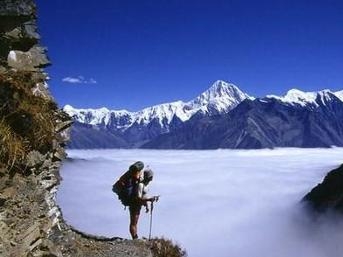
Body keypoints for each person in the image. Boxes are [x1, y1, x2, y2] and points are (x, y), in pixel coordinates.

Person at [129, 168, 159, 240]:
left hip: (138, 205)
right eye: (151, 176)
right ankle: (134, 238)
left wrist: (146, 205)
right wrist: (149, 200)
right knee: (133, 222)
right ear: (149, 177)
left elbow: (143, 196)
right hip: (134, 205)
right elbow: (138, 198)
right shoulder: (141, 185)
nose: (152, 178)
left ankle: (135, 238)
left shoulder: (145, 185)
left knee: (135, 222)